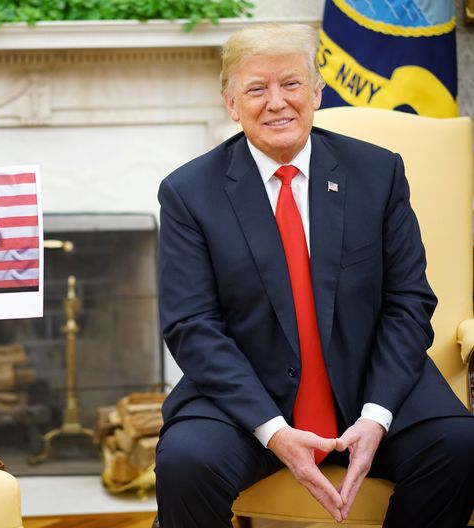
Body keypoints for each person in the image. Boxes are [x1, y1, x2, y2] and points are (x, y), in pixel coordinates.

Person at [155, 23, 474, 528]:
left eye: (292, 84)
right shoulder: (188, 193)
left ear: (317, 92)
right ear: (231, 104)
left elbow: (408, 302)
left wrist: (376, 416)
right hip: (249, 397)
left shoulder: (378, 173)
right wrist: (274, 430)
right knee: (186, 463)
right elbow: (192, 325)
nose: (277, 102)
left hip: (371, 383)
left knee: (459, 446)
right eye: (256, 89)